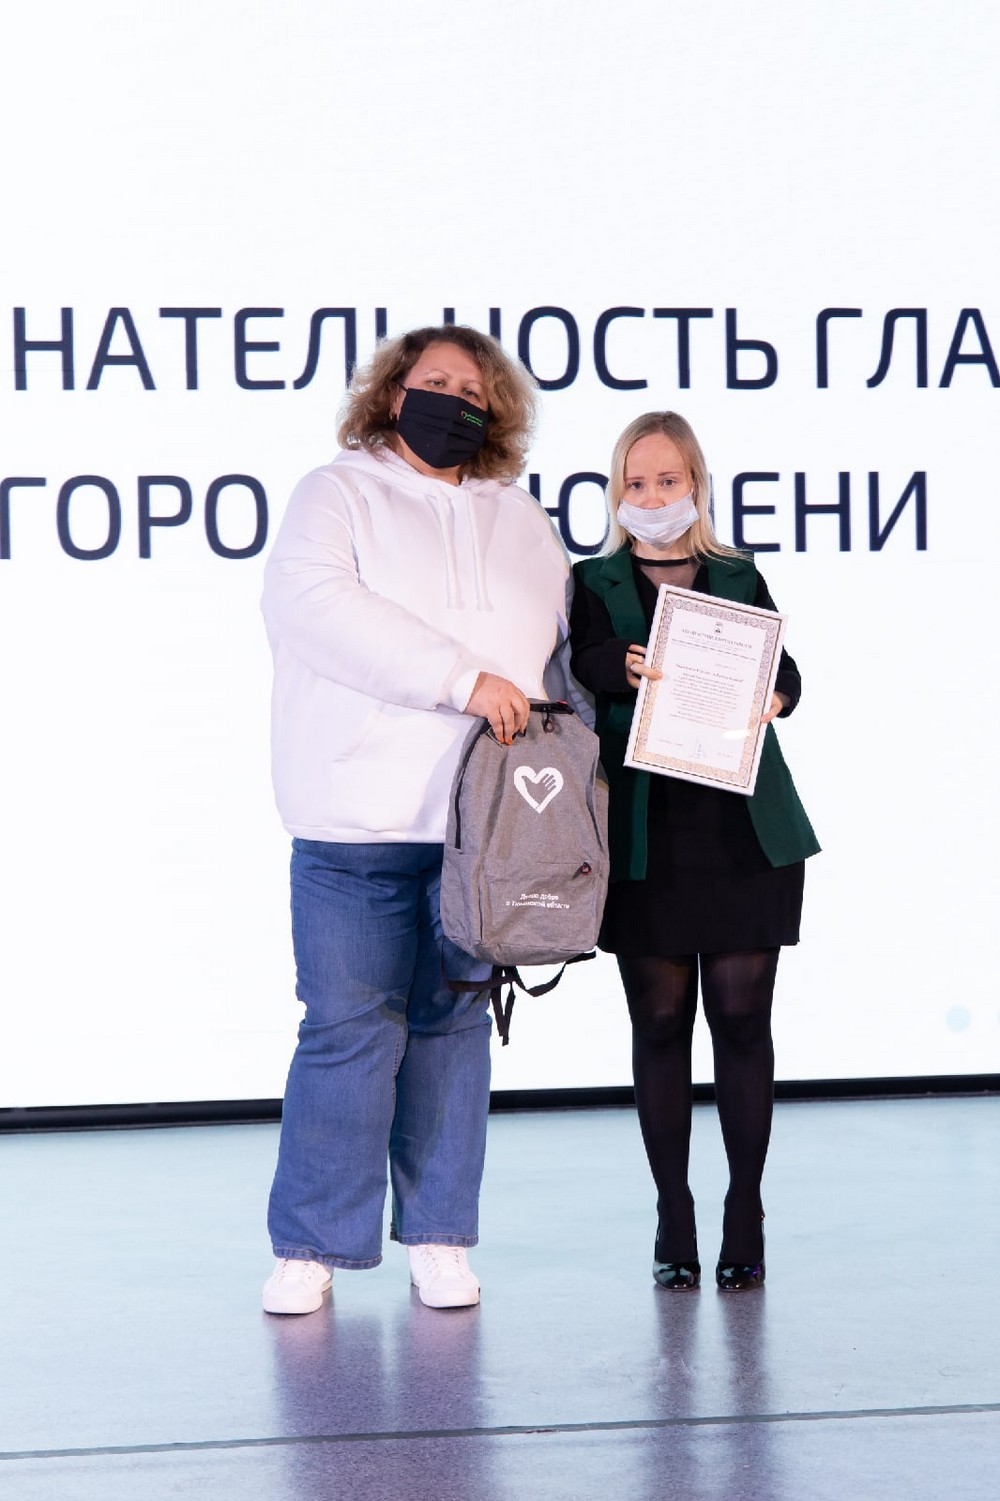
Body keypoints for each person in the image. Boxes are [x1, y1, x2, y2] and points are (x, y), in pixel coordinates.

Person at [260, 325, 573, 1314]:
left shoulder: (520, 517)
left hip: (481, 834)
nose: (453, 400)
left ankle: (439, 1235)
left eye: (472, 390)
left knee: (453, 1031)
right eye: (433, 381)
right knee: (346, 1032)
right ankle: (312, 1244)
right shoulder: (335, 494)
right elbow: (316, 607)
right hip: (353, 826)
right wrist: (461, 677)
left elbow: (565, 647)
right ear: (393, 394)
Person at [569, 412, 819, 1292]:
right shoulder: (591, 579)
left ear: (697, 486)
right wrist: (620, 665)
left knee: (744, 1024)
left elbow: (787, 671)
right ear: (617, 493)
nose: (651, 497)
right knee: (660, 1024)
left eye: (667, 481)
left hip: (745, 831)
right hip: (647, 834)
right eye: (634, 483)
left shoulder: (738, 574)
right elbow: (579, 664)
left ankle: (745, 1208)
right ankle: (673, 1210)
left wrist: (776, 695)